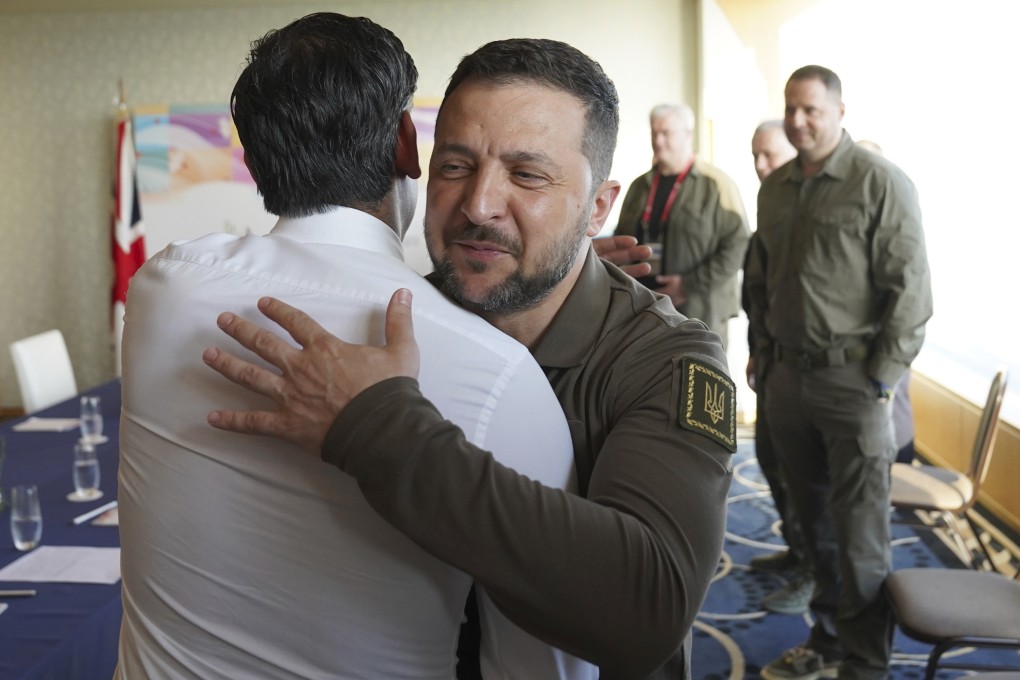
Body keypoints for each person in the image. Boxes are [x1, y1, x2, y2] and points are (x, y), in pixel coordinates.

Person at [202, 38, 736, 679]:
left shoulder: (666, 358)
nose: (479, 205)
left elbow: (648, 610)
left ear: (597, 207)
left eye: (527, 175)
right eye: (456, 166)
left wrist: (377, 428)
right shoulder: (386, 323)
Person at [115, 13, 596, 679]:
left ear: (252, 160)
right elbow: (541, 660)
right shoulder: (498, 377)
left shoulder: (160, 290)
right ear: (408, 143)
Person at [745, 66, 932, 680]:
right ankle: (825, 642)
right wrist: (764, 358)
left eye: (811, 110)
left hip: (854, 387)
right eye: (790, 109)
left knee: (859, 537)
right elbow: (759, 283)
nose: (798, 120)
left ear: (840, 111)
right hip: (788, 384)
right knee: (812, 526)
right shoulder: (775, 189)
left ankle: (865, 662)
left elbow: (911, 295)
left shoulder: (880, 183)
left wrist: (880, 382)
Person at [743, 119, 815, 615]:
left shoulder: (809, 213)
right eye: (755, 156)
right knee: (771, 459)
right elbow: (760, 294)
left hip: (806, 373)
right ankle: (795, 548)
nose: (761, 166)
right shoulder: (771, 210)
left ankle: (814, 571)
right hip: (770, 362)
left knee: (806, 477)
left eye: (770, 155)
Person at [614, 103, 751, 349]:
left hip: (699, 314)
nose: (658, 141)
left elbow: (738, 244)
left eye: (666, 133)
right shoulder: (639, 186)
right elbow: (621, 240)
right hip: (645, 312)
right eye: (654, 133)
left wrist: (689, 285)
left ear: (688, 134)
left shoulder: (716, 185)